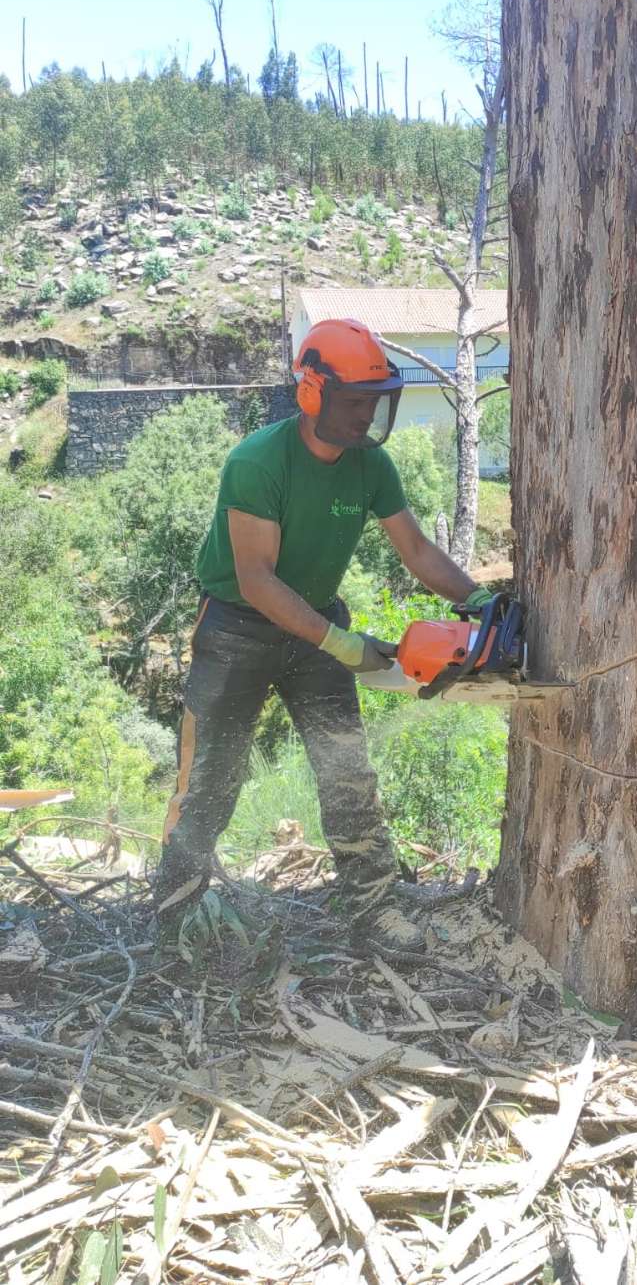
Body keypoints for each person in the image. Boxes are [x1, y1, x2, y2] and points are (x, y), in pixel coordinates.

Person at [153, 317, 490, 959]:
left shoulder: (371, 465)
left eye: (373, 402)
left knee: (347, 772)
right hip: (239, 628)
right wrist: (341, 645)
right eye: (353, 402)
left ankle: (372, 905)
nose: (365, 416)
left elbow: (416, 548)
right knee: (210, 777)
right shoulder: (257, 461)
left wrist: (477, 599)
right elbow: (256, 581)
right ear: (313, 392)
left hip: (317, 620)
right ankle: (178, 908)